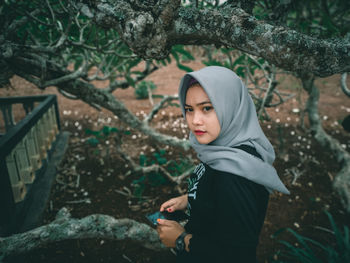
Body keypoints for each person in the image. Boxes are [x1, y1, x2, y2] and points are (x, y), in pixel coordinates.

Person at [156, 66, 290, 263]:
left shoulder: (234, 176)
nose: (195, 121)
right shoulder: (226, 150)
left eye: (207, 108)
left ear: (231, 106)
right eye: (189, 110)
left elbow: (237, 256)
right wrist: (191, 198)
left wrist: (181, 239)